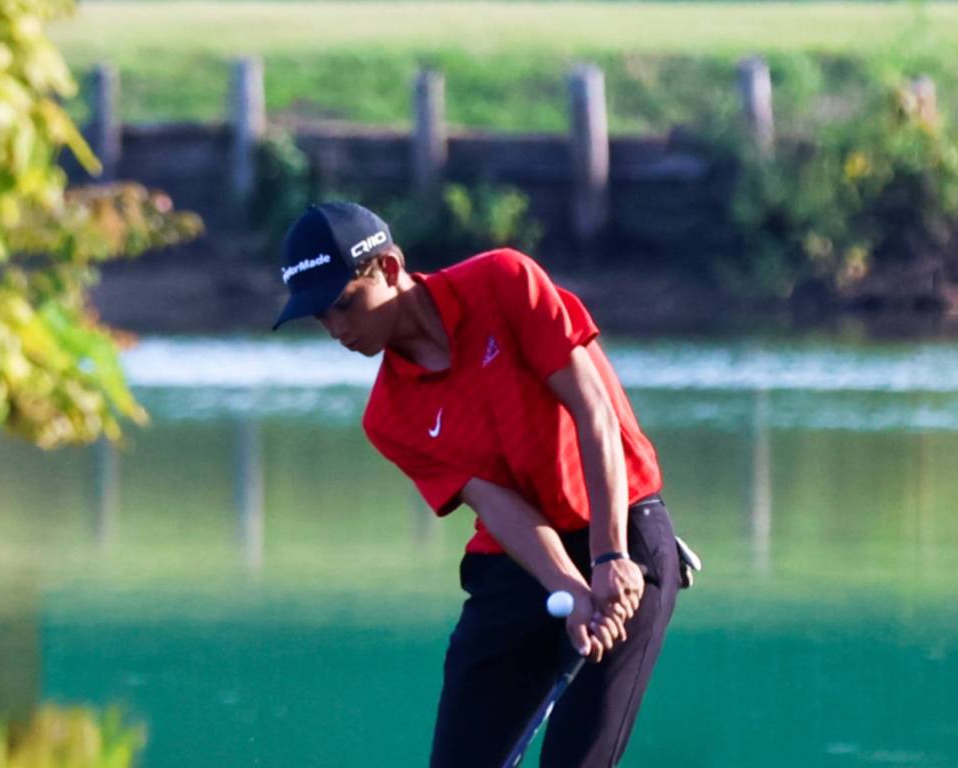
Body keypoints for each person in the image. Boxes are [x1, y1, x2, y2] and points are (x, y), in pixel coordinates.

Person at [271, 201, 682, 767]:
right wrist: (571, 589)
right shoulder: (388, 417)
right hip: (519, 561)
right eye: (322, 318)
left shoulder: (502, 281)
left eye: (344, 303)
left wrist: (609, 556)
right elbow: (497, 503)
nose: (338, 329)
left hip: (621, 524)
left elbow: (594, 411)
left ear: (389, 268)